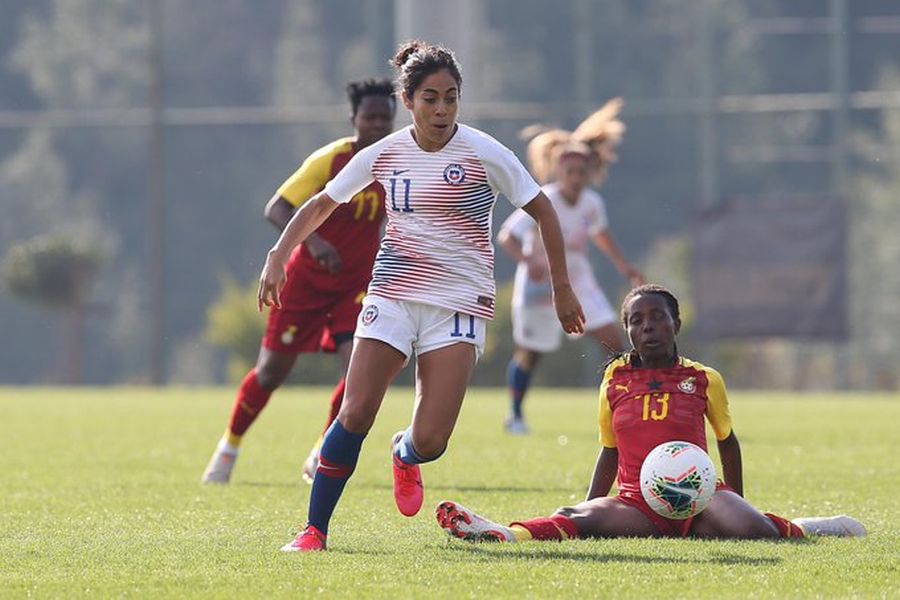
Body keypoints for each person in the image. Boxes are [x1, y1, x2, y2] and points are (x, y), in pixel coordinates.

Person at [258, 40, 585, 552]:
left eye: (451, 98)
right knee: (356, 410)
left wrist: (563, 288)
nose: (442, 109)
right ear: (407, 101)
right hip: (391, 296)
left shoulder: (483, 151)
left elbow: (543, 209)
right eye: (430, 98)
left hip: (457, 306)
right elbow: (322, 202)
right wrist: (279, 253)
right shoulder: (385, 153)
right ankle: (314, 530)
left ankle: (404, 454)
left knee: (432, 440)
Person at [436, 284, 866, 542]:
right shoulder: (614, 380)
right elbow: (608, 451)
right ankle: (504, 533)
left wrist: (734, 498)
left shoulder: (703, 379)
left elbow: (727, 441)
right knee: (574, 519)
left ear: (675, 324)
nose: (647, 327)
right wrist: (594, 505)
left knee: (757, 533)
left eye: (657, 318)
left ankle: (810, 527)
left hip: (702, 496)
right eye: (636, 321)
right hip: (636, 502)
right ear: (627, 331)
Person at [201, 79, 396, 485]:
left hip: (356, 286)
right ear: (353, 119)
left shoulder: (395, 162)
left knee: (359, 371)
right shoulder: (330, 160)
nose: (377, 125)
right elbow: (278, 208)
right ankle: (229, 447)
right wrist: (317, 242)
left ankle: (322, 452)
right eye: (369, 117)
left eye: (384, 117)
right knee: (270, 372)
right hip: (305, 282)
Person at [499, 106, 644, 434]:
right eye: (570, 172)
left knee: (614, 343)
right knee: (530, 354)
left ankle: (631, 412)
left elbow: (601, 237)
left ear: (590, 172)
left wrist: (625, 268)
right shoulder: (543, 199)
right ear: (558, 172)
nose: (576, 178)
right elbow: (507, 236)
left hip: (579, 281)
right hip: (540, 287)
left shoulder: (592, 204)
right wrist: (529, 261)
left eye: (582, 172)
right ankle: (516, 414)